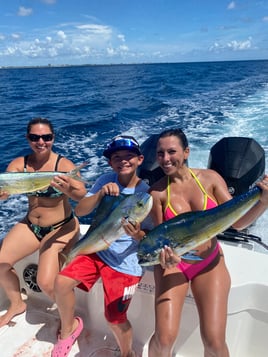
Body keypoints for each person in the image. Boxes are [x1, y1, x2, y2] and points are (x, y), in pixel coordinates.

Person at [147, 128, 268, 357]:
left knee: (213, 343)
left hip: (209, 263)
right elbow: (159, 237)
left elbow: (238, 223)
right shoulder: (157, 194)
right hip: (174, 265)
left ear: (186, 152)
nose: (165, 159)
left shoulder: (211, 179)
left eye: (171, 151)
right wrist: (166, 258)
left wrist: (263, 202)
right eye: (160, 153)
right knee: (164, 340)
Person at [51, 135, 150, 357]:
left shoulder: (146, 194)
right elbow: (81, 211)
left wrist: (138, 234)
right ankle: (68, 331)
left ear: (140, 159)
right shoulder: (106, 180)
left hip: (126, 262)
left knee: (114, 318)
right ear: (110, 163)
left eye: (129, 156)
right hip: (99, 250)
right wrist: (99, 194)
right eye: (117, 157)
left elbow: (151, 235)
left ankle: (127, 353)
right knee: (61, 282)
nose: (123, 161)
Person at [0, 117, 87, 328]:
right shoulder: (19, 165)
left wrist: (68, 188)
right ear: (27, 138)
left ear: (53, 138)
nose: (41, 142)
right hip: (31, 226)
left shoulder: (63, 165)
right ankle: (17, 304)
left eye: (46, 137)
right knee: (0, 264)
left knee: (47, 282)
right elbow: (7, 189)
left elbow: (82, 194)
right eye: (35, 137)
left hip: (61, 226)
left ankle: (70, 322)